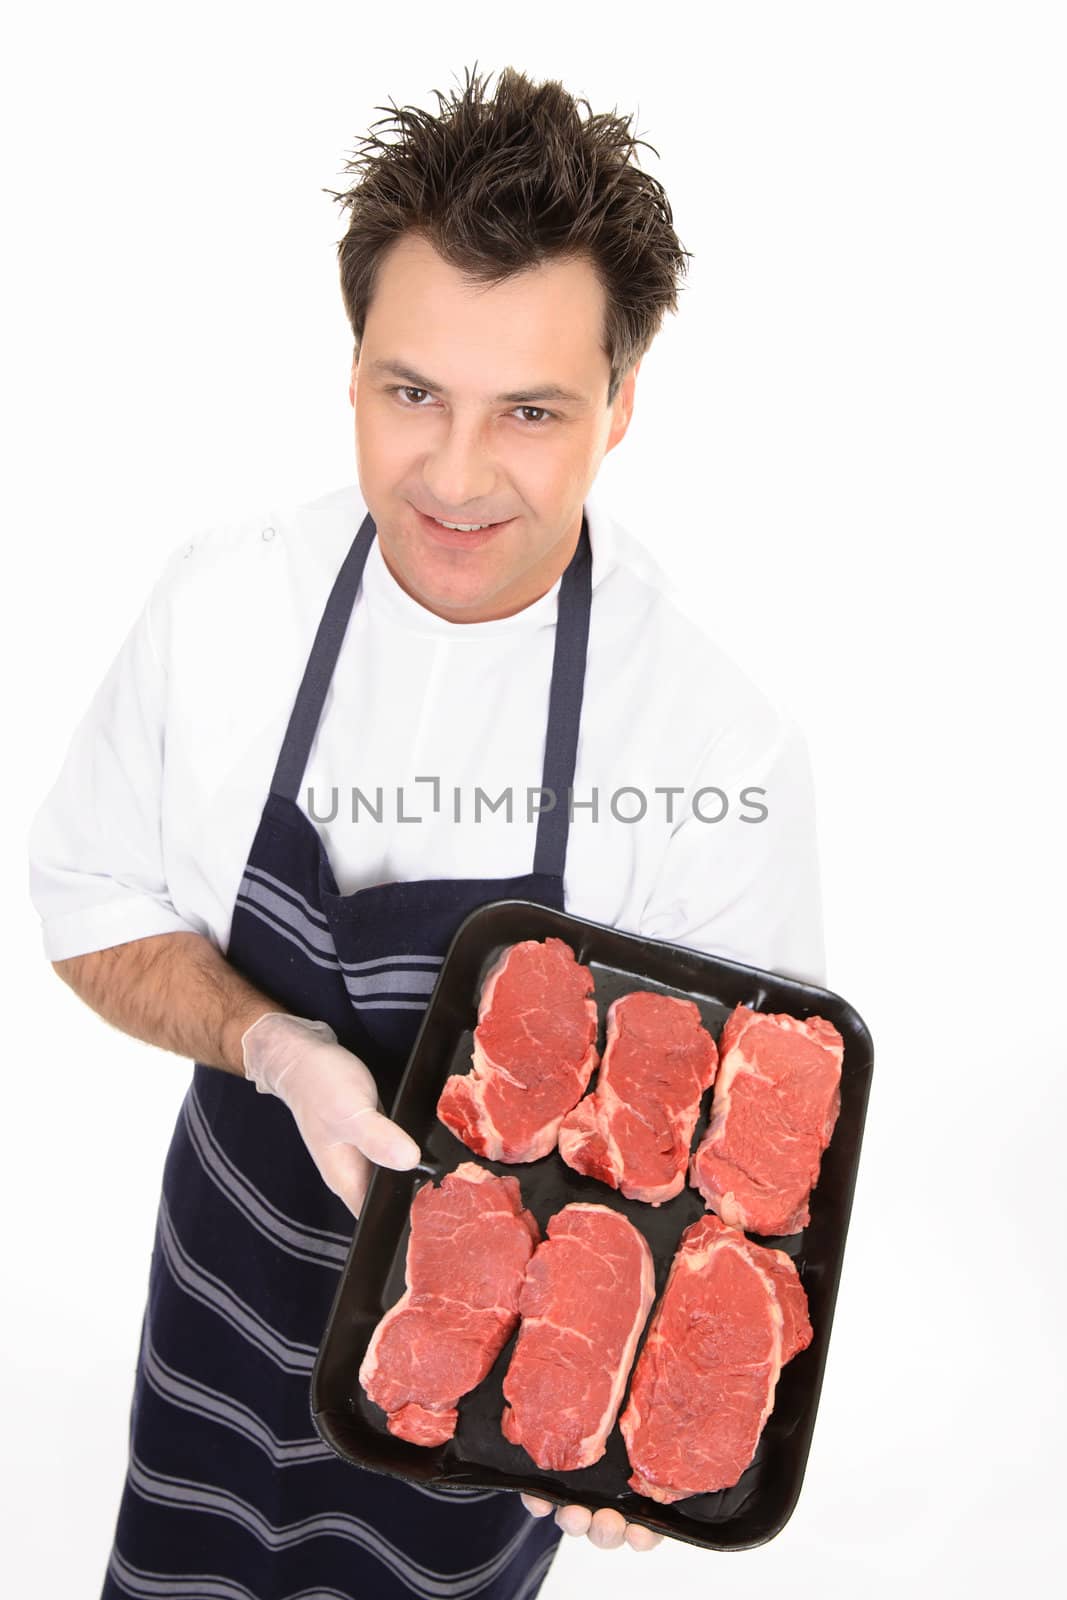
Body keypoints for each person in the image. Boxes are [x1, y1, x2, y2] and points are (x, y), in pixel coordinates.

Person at [27, 62, 825, 1599]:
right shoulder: (225, 605)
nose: (456, 479)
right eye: (413, 395)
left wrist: (646, 1409)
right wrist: (275, 1046)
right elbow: (87, 899)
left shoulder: (714, 740)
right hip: (224, 1279)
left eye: (531, 411)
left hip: (505, 1381)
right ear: (350, 372)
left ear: (624, 404)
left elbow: (747, 1176)